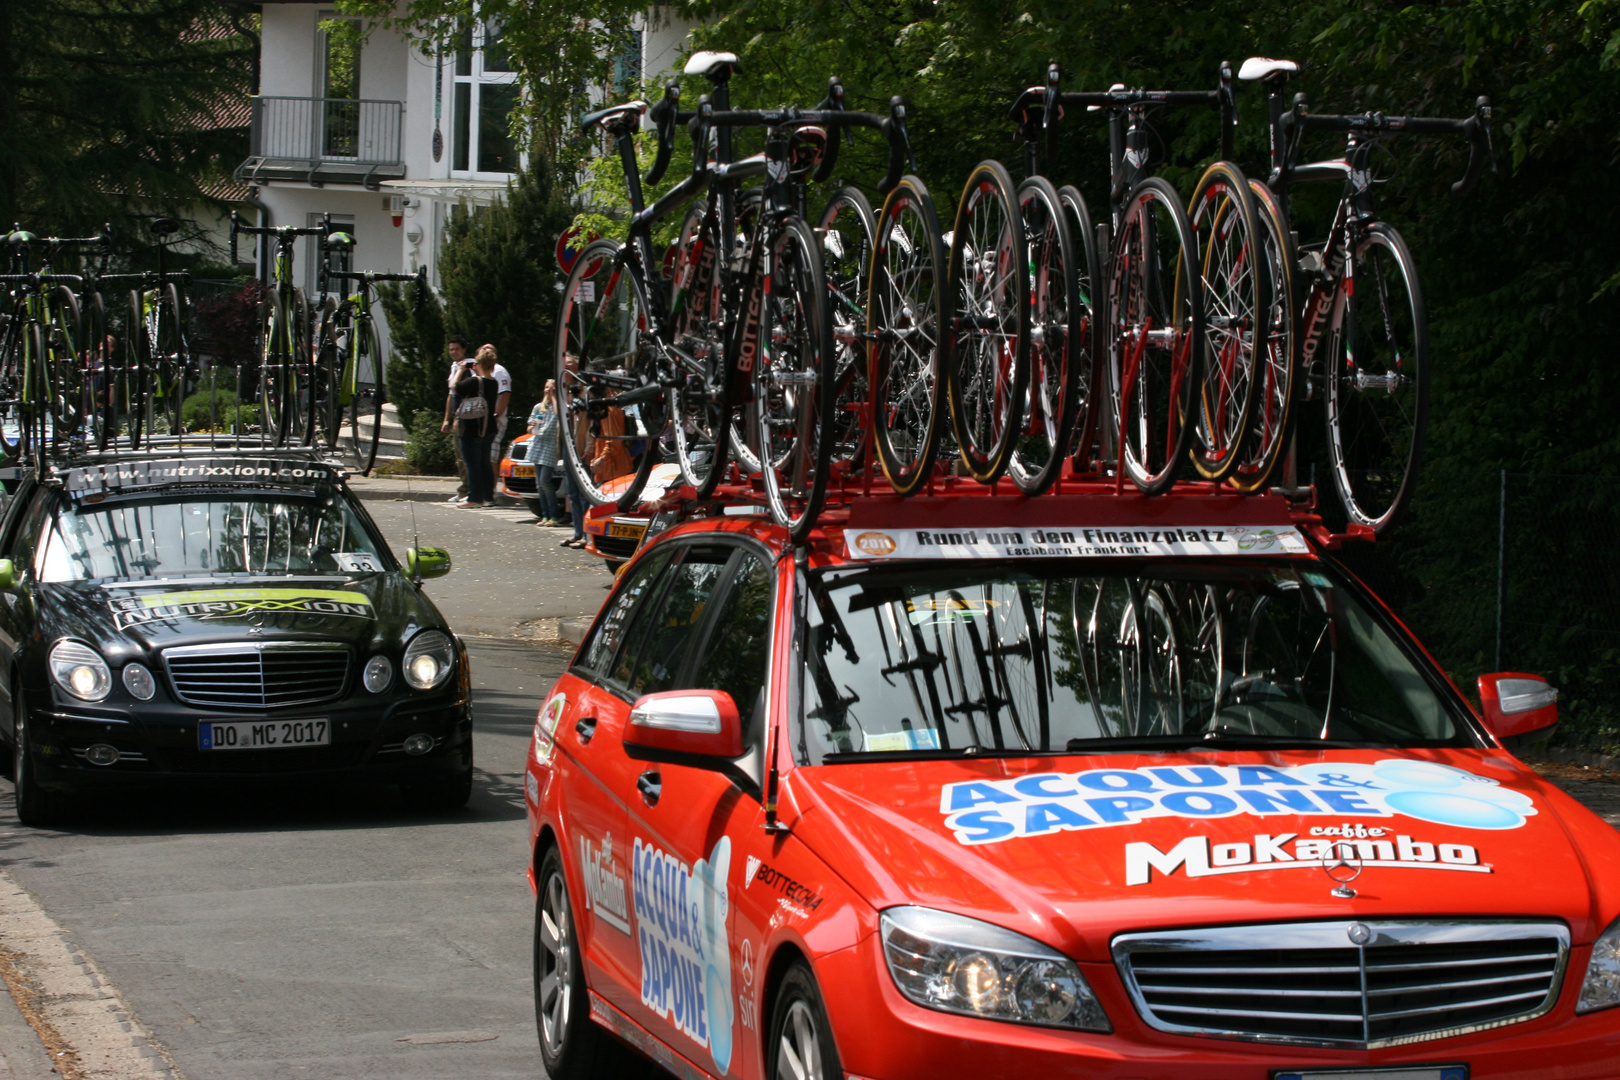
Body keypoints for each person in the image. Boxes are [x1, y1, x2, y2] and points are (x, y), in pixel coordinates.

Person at [445, 345, 508, 508]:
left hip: (472, 428)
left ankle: (474, 497)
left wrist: (460, 370)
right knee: (485, 463)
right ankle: (488, 496)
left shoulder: (474, 382)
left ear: (479, 364)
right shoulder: (492, 382)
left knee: (472, 463)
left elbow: (453, 387)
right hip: (487, 428)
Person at [526, 380, 562, 526]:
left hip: (550, 447)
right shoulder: (539, 407)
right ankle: (545, 515)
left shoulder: (556, 407)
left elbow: (559, 413)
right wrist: (532, 426)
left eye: (551, 388)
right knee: (539, 484)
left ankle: (554, 515)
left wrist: (553, 396)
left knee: (545, 481)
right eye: (546, 387)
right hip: (538, 445)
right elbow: (529, 429)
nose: (548, 390)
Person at [441, 336, 471, 502]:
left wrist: (458, 417)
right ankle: (464, 489)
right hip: (456, 416)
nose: (453, 352)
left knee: (466, 456)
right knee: (459, 457)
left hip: (465, 416)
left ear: (463, 349)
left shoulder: (467, 368)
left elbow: (464, 394)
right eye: (451, 349)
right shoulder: (455, 367)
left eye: (456, 349)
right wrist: (447, 418)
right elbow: (451, 395)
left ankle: (468, 490)